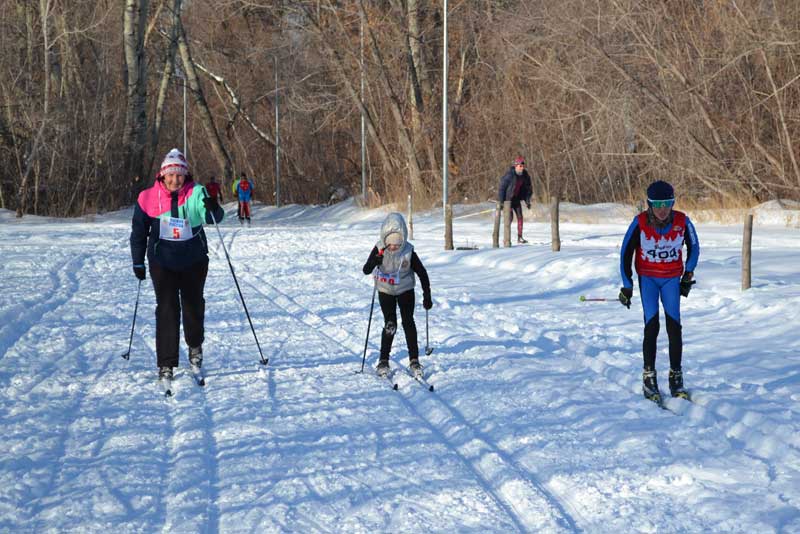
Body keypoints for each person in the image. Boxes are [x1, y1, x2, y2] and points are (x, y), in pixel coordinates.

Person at [130, 148, 225, 383]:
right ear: (162, 175)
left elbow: (213, 217)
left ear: (185, 175)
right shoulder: (147, 198)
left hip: (193, 259)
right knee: (167, 309)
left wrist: (214, 208)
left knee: (193, 306)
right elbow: (139, 233)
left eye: (180, 175)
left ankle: (195, 346)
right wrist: (137, 261)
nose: (175, 180)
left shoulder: (196, 193)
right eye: (170, 175)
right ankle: (166, 363)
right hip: (162, 261)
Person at [619, 180, 699, 403]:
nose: (663, 209)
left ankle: (676, 375)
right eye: (658, 204)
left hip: (671, 280)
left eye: (668, 203)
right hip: (649, 280)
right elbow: (625, 253)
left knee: (674, 328)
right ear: (650, 204)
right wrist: (627, 284)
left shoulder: (682, 221)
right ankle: (649, 375)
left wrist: (688, 274)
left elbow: (694, 247)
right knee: (652, 326)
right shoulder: (640, 222)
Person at [362, 212, 432, 378]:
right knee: (390, 323)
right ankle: (383, 360)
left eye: (398, 243)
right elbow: (366, 270)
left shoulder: (408, 251)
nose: (393, 247)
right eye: (390, 243)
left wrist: (427, 295)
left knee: (408, 322)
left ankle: (414, 360)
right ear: (384, 239)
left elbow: (422, 273)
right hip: (386, 291)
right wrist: (375, 262)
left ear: (403, 239)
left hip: (405, 290)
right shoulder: (379, 249)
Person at [498, 156, 533, 244]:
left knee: (520, 217)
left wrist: (527, 200)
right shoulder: (510, 175)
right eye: (520, 166)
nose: (522, 167)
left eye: (523, 166)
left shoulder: (525, 175)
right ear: (516, 166)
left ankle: (520, 237)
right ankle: (506, 237)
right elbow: (502, 188)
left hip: (516, 199)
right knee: (510, 218)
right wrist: (501, 201)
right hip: (508, 200)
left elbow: (528, 189)